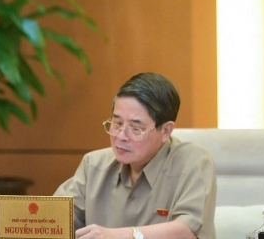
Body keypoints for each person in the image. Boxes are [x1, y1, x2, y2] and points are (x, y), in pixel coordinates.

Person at [55, 72, 216, 239]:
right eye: (116, 124)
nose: (121, 136)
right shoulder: (94, 165)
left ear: (165, 131)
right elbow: (54, 221)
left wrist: (119, 236)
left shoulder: (192, 162)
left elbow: (187, 231)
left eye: (135, 128)